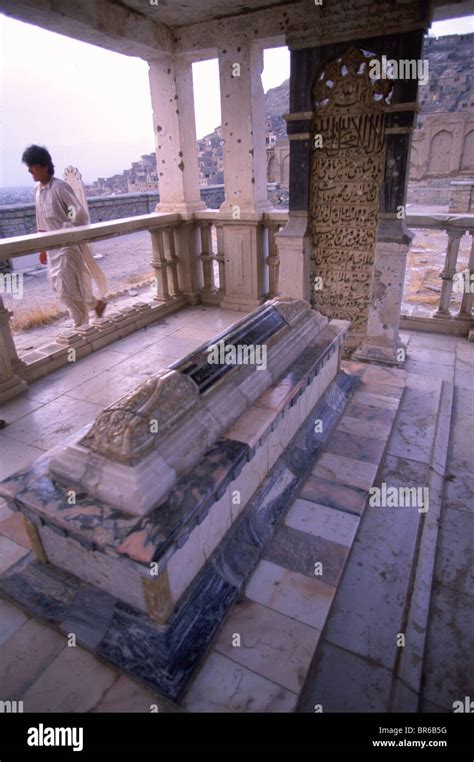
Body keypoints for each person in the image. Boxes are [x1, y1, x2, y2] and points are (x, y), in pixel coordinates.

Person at [21, 145, 107, 328]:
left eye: (33, 166)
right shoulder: (38, 190)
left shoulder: (60, 188)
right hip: (52, 247)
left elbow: (77, 215)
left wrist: (64, 230)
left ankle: (80, 324)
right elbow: (41, 220)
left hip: (68, 245)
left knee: (67, 286)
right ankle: (95, 305)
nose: (30, 171)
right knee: (58, 286)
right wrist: (43, 247)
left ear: (44, 166)